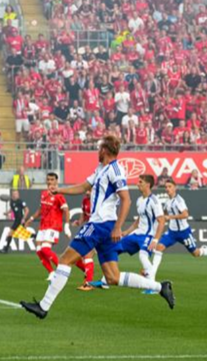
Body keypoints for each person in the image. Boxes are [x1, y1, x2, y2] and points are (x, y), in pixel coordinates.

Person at [20, 136, 174, 319]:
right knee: (112, 277)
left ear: (105, 151)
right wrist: (60, 190)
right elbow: (84, 186)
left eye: (99, 148)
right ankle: (160, 287)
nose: (97, 151)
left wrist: (118, 227)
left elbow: (126, 199)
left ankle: (43, 306)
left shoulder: (116, 170)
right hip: (104, 226)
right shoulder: (101, 169)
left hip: (101, 224)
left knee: (65, 260)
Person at [154, 178, 207, 270]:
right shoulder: (167, 202)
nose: (167, 189)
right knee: (159, 247)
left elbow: (185, 214)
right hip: (172, 233)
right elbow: (165, 214)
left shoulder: (179, 201)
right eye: (166, 187)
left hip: (184, 232)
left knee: (195, 253)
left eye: (170, 187)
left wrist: (170, 217)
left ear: (175, 188)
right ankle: (150, 272)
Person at [24, 173, 72, 280]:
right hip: (43, 226)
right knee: (39, 250)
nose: (50, 181)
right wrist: (31, 219)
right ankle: (51, 272)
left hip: (53, 226)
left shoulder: (59, 195)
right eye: (48, 179)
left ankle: (63, 269)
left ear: (56, 181)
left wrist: (67, 226)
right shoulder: (44, 193)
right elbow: (41, 209)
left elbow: (66, 210)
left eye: (52, 179)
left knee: (45, 249)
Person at [75, 189, 95, 290]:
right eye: (86, 190)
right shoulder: (85, 200)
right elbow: (84, 214)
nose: (87, 192)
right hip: (87, 229)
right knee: (75, 256)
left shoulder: (98, 201)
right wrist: (79, 222)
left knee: (88, 255)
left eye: (89, 190)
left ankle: (89, 283)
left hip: (96, 230)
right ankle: (88, 273)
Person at [1, 189, 29, 254]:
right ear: (12, 195)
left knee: (19, 234)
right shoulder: (11, 202)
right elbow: (12, 209)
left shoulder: (21, 201)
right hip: (16, 220)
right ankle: (5, 249)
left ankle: (5, 249)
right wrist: (7, 213)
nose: (16, 195)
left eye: (17, 194)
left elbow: (27, 210)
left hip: (20, 220)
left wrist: (24, 219)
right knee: (10, 234)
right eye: (14, 194)